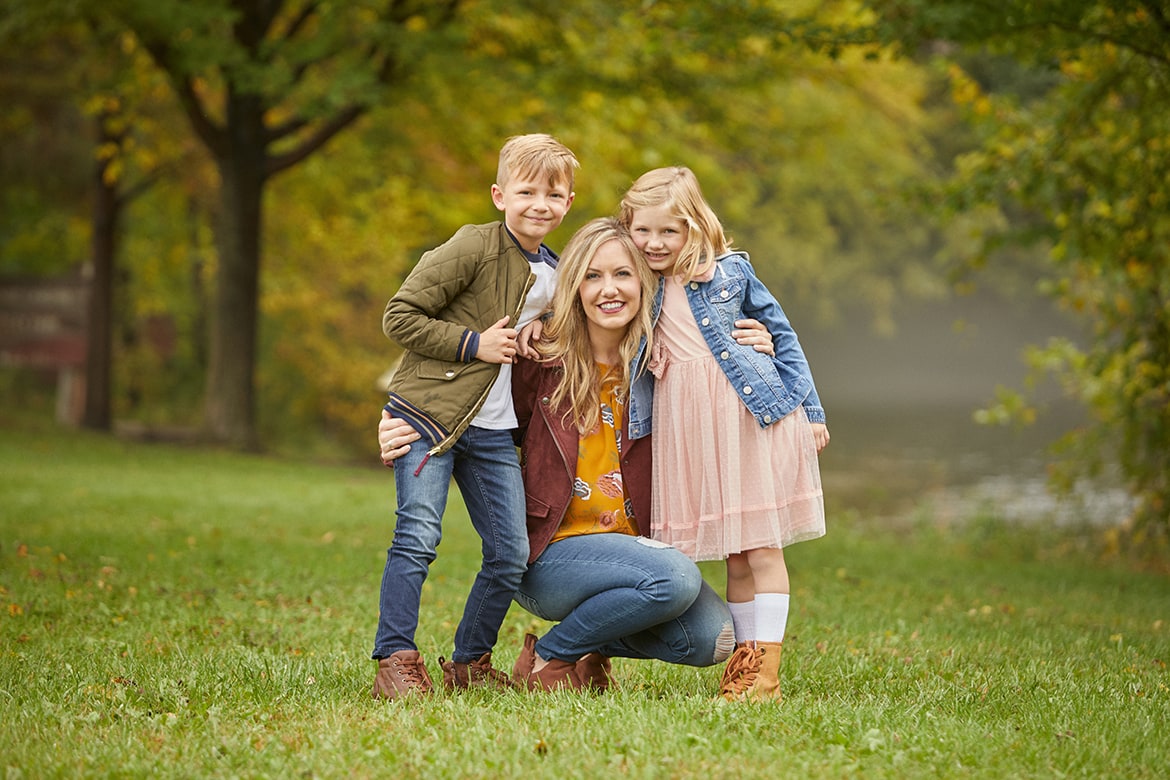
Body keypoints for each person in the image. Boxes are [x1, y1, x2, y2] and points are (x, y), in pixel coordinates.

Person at [378, 218, 778, 692]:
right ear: (574, 287)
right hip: (550, 555)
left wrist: (758, 349)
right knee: (674, 578)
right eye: (592, 275)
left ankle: (581, 644)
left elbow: (725, 411)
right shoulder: (538, 358)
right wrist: (406, 425)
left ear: (644, 283)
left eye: (622, 274)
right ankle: (552, 658)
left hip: (629, 552)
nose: (608, 289)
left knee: (713, 639)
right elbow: (470, 407)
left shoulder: (662, 368)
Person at [370, 133, 578, 700]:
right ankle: (395, 659)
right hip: (428, 418)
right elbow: (399, 316)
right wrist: (473, 344)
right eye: (527, 190)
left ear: (568, 203)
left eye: (553, 194)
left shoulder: (557, 272)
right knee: (417, 536)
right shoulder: (473, 246)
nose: (540, 203)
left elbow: (552, 322)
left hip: (491, 431)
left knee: (510, 553)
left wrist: (545, 326)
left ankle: (468, 661)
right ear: (499, 195)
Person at [618, 166, 830, 702]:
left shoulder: (729, 271)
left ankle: (769, 673)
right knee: (734, 555)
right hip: (688, 423)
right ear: (628, 227)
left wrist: (812, 410)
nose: (655, 242)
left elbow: (781, 333)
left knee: (760, 548)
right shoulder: (634, 278)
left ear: (694, 225)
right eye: (643, 230)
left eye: (669, 231)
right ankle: (744, 667)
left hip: (743, 415)